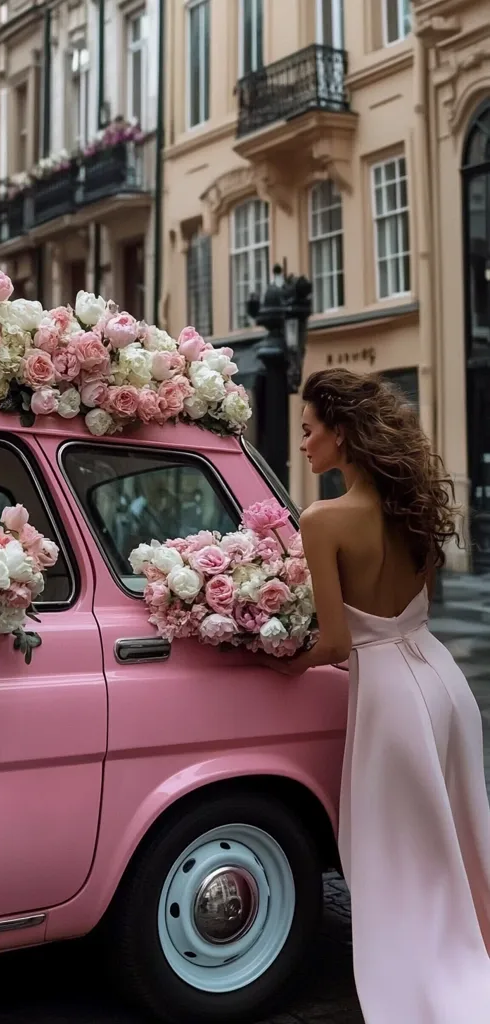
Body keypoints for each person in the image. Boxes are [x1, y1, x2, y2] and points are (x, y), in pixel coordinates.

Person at [261, 368, 490, 1022]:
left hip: (390, 697)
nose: (303, 444)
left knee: (395, 852)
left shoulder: (324, 520)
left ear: (341, 434)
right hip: (443, 682)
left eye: (310, 431)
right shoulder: (411, 508)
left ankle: (430, 982)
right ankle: (475, 949)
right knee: (461, 838)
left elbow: (335, 644)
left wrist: (282, 665)